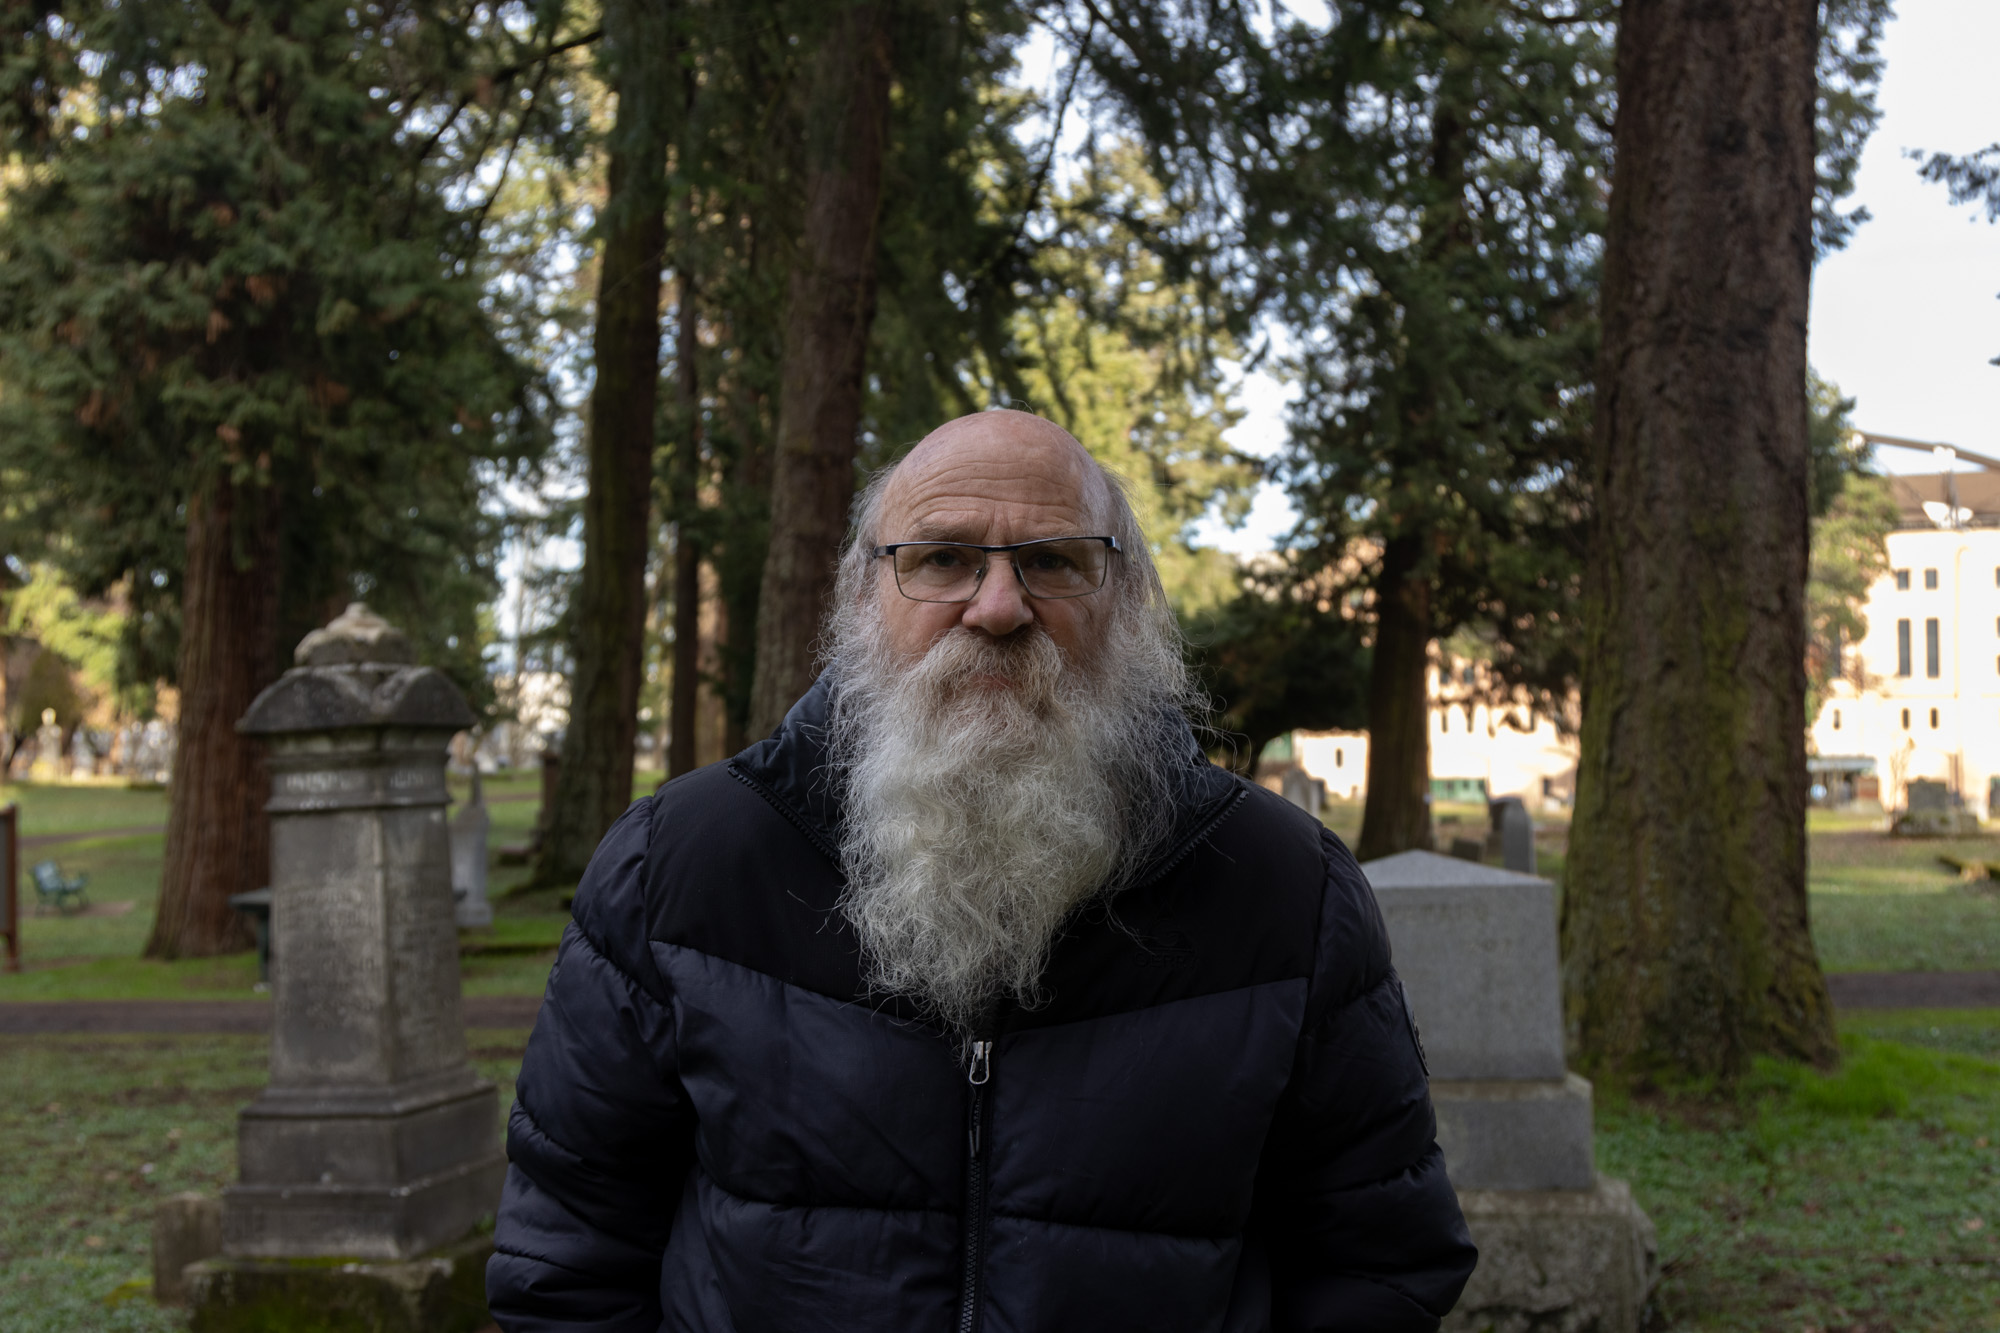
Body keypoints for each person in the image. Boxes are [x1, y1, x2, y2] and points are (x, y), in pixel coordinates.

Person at [487, 410, 1477, 1332]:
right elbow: (569, 1255)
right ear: (860, 596)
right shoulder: (681, 862)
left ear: (1125, 600)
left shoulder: (1281, 884)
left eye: (1052, 560)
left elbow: (1378, 1263)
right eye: (942, 559)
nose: (997, 607)